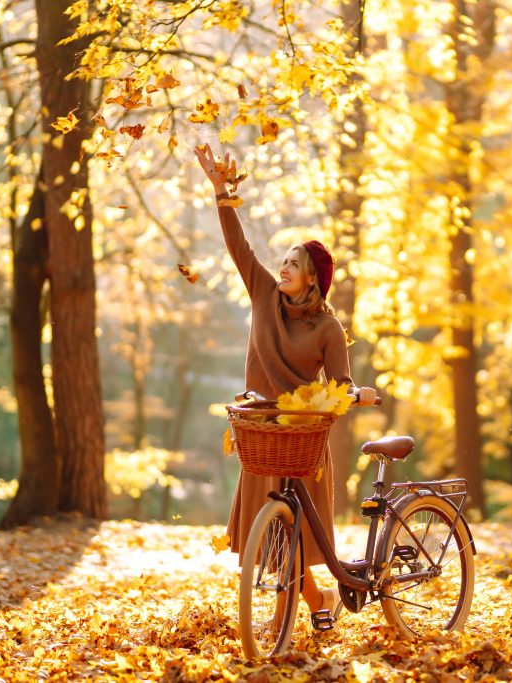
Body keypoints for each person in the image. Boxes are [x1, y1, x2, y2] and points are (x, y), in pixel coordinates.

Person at [195, 144, 377, 622]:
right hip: (262, 433)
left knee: (292, 534)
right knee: (276, 535)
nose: (284, 267)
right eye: (286, 260)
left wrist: (358, 394)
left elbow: (340, 383)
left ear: (313, 278)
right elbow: (239, 247)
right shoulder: (263, 296)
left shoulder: (328, 329)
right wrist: (220, 191)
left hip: (302, 437)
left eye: (294, 263)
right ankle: (321, 602)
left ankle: (282, 622)